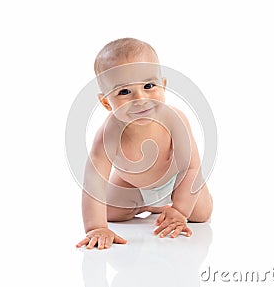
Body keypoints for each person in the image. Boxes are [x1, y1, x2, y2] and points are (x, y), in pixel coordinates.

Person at [76, 38, 213, 250]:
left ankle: (170, 205)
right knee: (111, 212)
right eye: (124, 92)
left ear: (163, 86)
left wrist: (180, 211)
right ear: (106, 102)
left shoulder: (175, 120)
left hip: (178, 181)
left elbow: (191, 167)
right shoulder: (108, 134)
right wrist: (95, 227)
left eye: (149, 86)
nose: (140, 98)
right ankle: (149, 205)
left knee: (202, 214)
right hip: (132, 185)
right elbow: (94, 181)